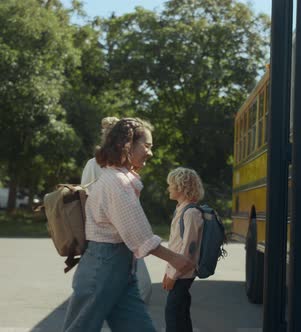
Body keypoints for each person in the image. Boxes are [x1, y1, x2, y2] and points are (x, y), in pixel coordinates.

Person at [63, 118, 194, 332]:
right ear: (127, 145)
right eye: (147, 146)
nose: (150, 153)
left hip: (116, 269)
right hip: (103, 270)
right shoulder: (118, 183)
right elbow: (139, 235)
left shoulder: (118, 179)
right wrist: (176, 259)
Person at [81, 116, 153, 304]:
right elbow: (91, 199)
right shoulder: (111, 175)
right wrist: (175, 259)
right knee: (141, 289)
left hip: (119, 245)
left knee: (131, 300)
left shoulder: (123, 170)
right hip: (111, 241)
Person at [163, 167, 205, 332]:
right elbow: (176, 245)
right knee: (181, 311)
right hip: (180, 270)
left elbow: (188, 249)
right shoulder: (182, 210)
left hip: (183, 272)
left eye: (171, 185)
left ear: (181, 187)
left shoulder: (191, 213)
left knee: (172, 313)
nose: (169, 188)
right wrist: (169, 271)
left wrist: (173, 275)